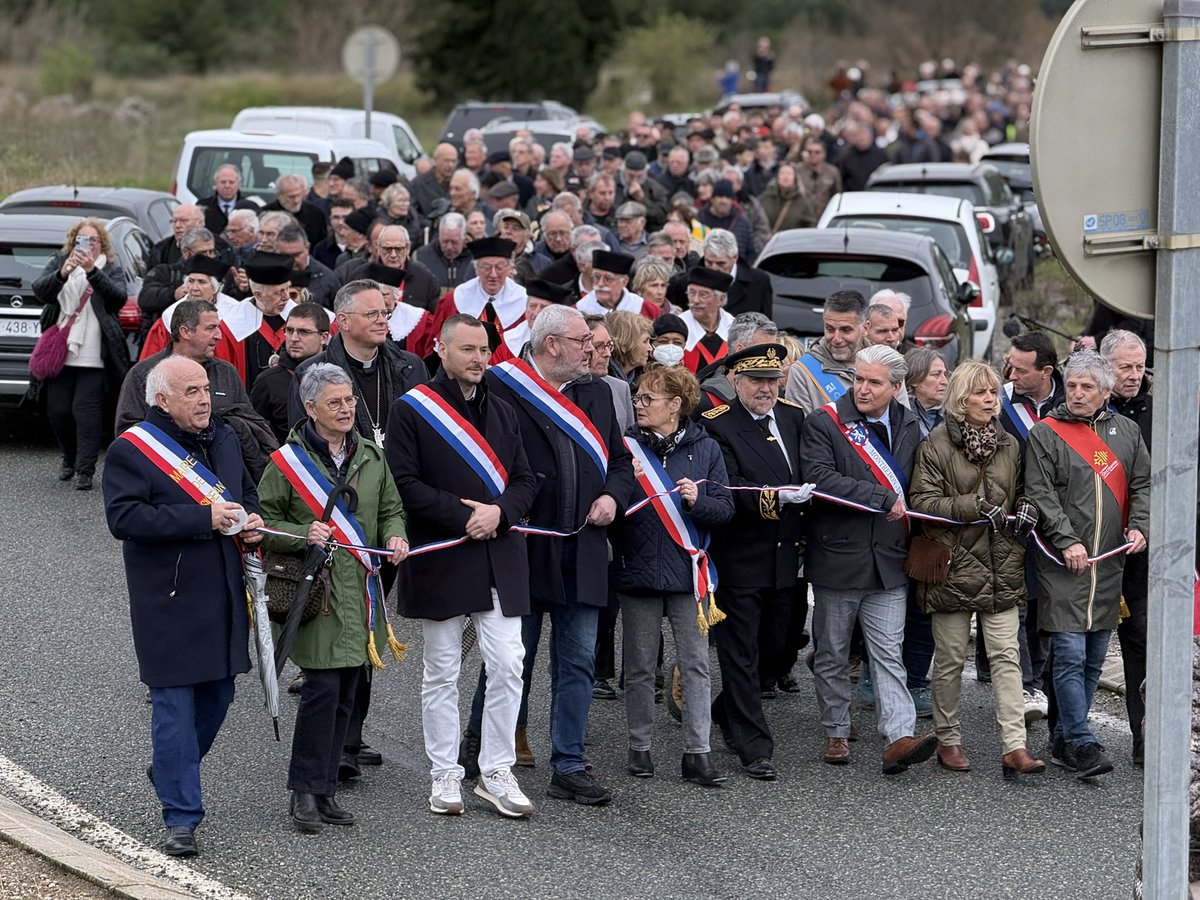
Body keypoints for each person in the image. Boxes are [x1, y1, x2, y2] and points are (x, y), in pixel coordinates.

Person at [102, 355, 264, 857]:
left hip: (223, 589)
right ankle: (181, 817)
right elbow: (124, 518)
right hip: (167, 597)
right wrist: (202, 518)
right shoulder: (133, 450)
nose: (204, 399)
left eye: (205, 389)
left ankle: (170, 767)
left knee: (219, 698)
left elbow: (247, 494)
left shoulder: (226, 438)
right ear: (162, 400)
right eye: (191, 391)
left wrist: (252, 518)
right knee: (174, 706)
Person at [476, 305, 634, 806]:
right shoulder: (503, 387)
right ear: (552, 346)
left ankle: (569, 763)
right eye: (583, 339)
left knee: (578, 661)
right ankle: (483, 747)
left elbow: (621, 462)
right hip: (524, 546)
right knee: (507, 659)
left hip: (583, 549)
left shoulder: (599, 393)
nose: (593, 348)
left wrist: (613, 495)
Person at [387, 315, 539, 818]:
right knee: (442, 670)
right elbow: (404, 484)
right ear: (441, 349)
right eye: (469, 349)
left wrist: (500, 513)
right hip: (445, 554)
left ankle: (495, 770)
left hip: (499, 552)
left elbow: (525, 480)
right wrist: (465, 516)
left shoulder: (503, 410)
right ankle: (445, 771)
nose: (479, 358)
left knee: (509, 664)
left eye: (485, 349)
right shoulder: (413, 410)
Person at [257, 364, 408, 834]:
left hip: (360, 592)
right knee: (322, 692)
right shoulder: (285, 463)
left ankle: (324, 792)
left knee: (347, 693)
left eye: (349, 402)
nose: (346, 410)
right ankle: (303, 791)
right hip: (317, 591)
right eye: (335, 403)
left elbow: (390, 508)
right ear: (310, 409)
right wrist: (305, 533)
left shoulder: (370, 456)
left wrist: (396, 535)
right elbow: (261, 525)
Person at [800, 344, 936, 775]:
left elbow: (918, 482)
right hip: (840, 555)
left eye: (873, 382)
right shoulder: (825, 422)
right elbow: (819, 477)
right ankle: (837, 730)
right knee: (834, 650)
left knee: (888, 653)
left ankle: (898, 736)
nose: (862, 388)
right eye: (858, 379)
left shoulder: (911, 423)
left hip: (890, 559)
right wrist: (881, 497)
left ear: (896, 388)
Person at [908, 361, 1047, 779]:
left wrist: (1026, 508)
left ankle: (1015, 747)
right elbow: (923, 501)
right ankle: (948, 740)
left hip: (1002, 563)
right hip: (953, 565)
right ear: (961, 399)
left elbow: (1026, 492)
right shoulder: (934, 444)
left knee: (1007, 657)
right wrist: (971, 506)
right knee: (950, 658)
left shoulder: (1008, 444)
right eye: (982, 393)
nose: (992, 399)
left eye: (994, 392)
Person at [1025, 350, 1150, 779]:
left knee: (1096, 655)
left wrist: (1139, 526)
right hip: (1064, 562)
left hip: (1109, 563)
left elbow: (1142, 485)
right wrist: (1067, 540)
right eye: (1072, 386)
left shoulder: (1127, 432)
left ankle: (1062, 737)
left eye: (1087, 388)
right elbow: (1040, 493)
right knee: (1070, 652)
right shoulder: (1046, 433)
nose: (1077, 394)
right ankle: (1080, 739)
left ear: (1105, 391)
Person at [617, 365, 734, 785]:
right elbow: (609, 510)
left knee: (696, 665)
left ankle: (697, 754)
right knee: (640, 667)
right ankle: (640, 748)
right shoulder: (625, 447)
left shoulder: (706, 449)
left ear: (676, 406)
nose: (639, 404)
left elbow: (724, 510)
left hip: (689, 574)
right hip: (639, 572)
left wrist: (698, 500)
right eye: (638, 397)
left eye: (649, 399)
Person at [702, 344, 811, 780]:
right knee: (741, 652)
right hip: (743, 554)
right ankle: (754, 746)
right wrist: (775, 497)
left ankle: (725, 708)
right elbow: (727, 484)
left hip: (789, 553)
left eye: (772, 380)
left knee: (778, 648)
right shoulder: (716, 425)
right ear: (736, 382)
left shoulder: (793, 416)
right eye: (756, 381)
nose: (766, 389)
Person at [117, 299, 279, 480]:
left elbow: (250, 421)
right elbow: (127, 430)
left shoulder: (226, 372)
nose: (219, 335)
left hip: (224, 479)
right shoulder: (144, 374)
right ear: (185, 332)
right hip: (169, 479)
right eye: (210, 328)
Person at [32, 217, 131, 491]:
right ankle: (69, 458)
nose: (87, 246)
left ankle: (85, 470)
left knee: (85, 414)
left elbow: (118, 298)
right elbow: (40, 291)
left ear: (102, 244)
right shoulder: (60, 262)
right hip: (61, 352)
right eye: (81, 241)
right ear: (73, 242)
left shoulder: (109, 268)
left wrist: (92, 272)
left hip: (94, 354)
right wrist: (62, 273)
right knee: (59, 411)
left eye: (93, 241)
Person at [1099, 329, 1152, 765]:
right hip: (1104, 545)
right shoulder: (1092, 412)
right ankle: (1072, 733)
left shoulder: (1163, 408)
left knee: (1147, 638)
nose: (1134, 375)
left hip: (1156, 546)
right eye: (1125, 368)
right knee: (1116, 641)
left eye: (1139, 366)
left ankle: (1149, 736)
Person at [428, 237, 527, 356]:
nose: (493, 274)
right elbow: (437, 343)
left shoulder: (524, 303)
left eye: (500, 267)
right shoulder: (454, 300)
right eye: (486, 267)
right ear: (476, 269)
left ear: (509, 269)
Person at [251, 303, 330, 442]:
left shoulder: (339, 375)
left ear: (323, 337)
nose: (294, 338)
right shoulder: (267, 381)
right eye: (289, 330)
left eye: (304, 332)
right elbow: (256, 435)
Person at [786, 289, 867, 412]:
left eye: (846, 330)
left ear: (866, 328)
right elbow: (801, 428)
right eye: (830, 329)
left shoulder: (885, 362)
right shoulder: (803, 371)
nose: (836, 339)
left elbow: (903, 423)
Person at [679, 268, 734, 373]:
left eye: (703, 295)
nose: (695, 300)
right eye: (692, 293)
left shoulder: (734, 328)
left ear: (721, 299)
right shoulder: (678, 326)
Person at [577, 251, 658, 320]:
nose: (600, 284)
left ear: (624, 282)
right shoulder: (579, 310)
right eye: (597, 277)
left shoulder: (645, 308)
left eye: (607, 278)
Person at [414, 212, 475, 293]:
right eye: (445, 241)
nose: (449, 247)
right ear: (439, 236)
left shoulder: (476, 259)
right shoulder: (420, 256)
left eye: (454, 242)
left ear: (464, 238)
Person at [196, 164, 258, 236]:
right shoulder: (203, 205)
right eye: (223, 182)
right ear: (216, 183)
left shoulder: (249, 207)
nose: (227, 186)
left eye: (231, 182)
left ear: (238, 184)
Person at [758, 163, 816, 234]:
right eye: (782, 173)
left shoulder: (803, 201)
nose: (785, 177)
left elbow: (810, 226)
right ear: (777, 176)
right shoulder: (766, 197)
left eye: (789, 174)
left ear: (795, 177)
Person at [905, 347, 948, 437]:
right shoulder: (900, 415)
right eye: (936, 374)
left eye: (945, 374)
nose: (945, 382)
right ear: (914, 380)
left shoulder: (953, 415)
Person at [606, 311, 653, 383]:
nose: (650, 348)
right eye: (645, 341)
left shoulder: (645, 380)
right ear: (624, 343)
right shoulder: (601, 378)